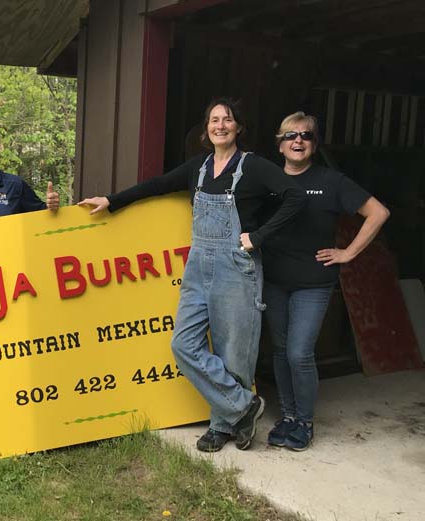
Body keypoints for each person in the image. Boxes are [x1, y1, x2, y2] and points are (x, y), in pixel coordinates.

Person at [79, 98, 307, 452]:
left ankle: (222, 426)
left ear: (238, 127)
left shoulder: (253, 166)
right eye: (214, 120)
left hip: (237, 266)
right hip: (198, 266)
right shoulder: (197, 167)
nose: (220, 125)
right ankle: (243, 406)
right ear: (206, 128)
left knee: (234, 352)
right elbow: (157, 184)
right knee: (183, 344)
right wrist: (112, 200)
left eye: (227, 120)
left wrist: (259, 236)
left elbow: (296, 196)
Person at [261, 112, 389, 451]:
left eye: (306, 135)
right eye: (290, 135)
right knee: (280, 351)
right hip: (273, 281)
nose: (298, 141)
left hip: (313, 283)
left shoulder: (331, 181)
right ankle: (288, 416)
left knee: (299, 353)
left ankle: (304, 422)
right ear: (280, 145)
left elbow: (378, 212)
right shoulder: (267, 179)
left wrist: (348, 252)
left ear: (314, 145)